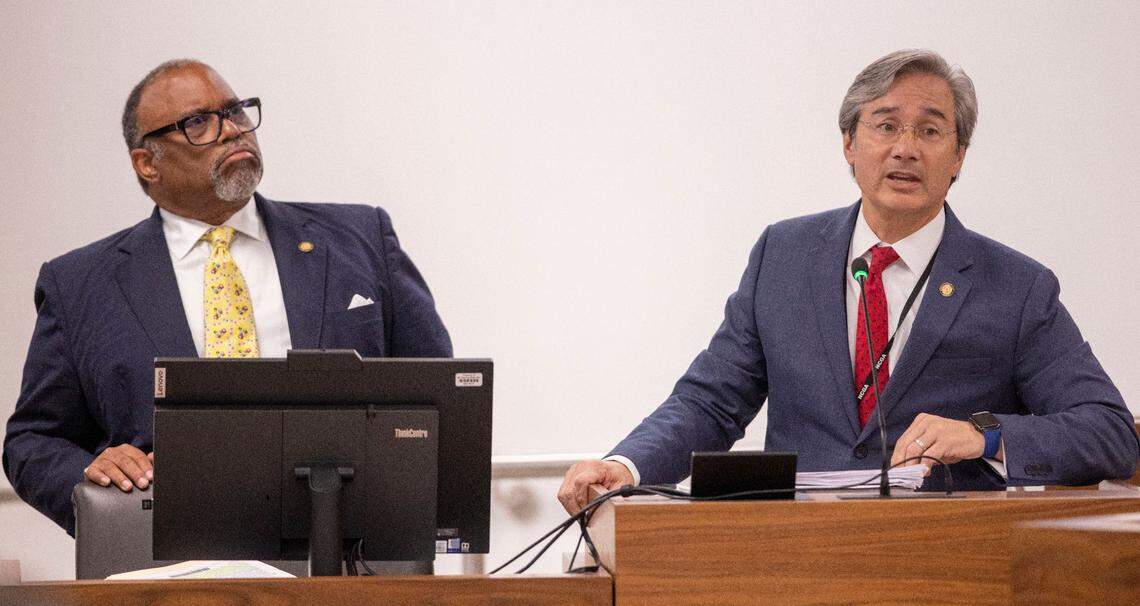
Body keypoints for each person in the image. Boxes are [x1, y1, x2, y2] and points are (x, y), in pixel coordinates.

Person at [558, 49, 1139, 513]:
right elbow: (711, 400)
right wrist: (626, 466)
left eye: (931, 132)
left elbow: (1110, 431)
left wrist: (983, 434)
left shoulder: (1015, 287)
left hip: (947, 562)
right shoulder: (782, 257)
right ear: (849, 146)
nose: (905, 149)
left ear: (960, 155)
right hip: (793, 552)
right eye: (886, 126)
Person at [3, 59, 452, 533]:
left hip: (349, 549)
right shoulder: (80, 285)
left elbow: (440, 394)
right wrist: (91, 474)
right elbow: (34, 440)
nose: (232, 130)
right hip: (166, 562)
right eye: (199, 122)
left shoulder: (360, 239)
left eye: (235, 111)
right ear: (147, 162)